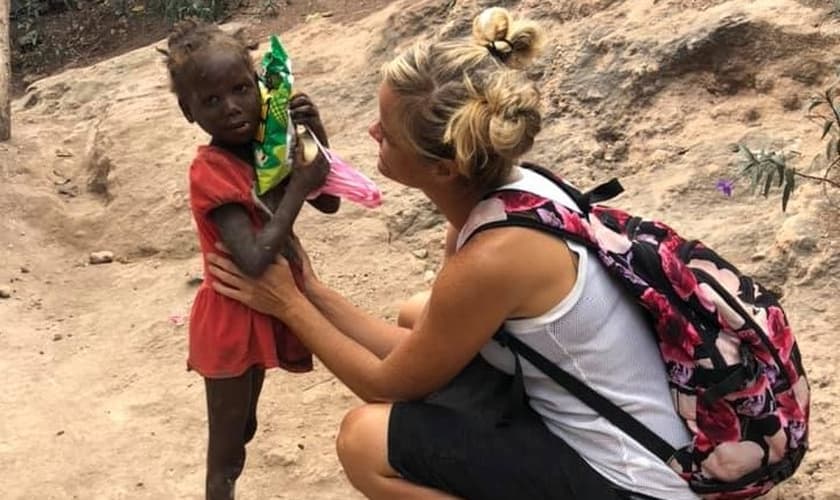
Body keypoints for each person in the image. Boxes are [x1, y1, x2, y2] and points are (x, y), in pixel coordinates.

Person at [206, 7, 700, 500]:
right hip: (636, 425)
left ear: (444, 168)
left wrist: (289, 306)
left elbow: (388, 384)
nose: (373, 135)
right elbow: (420, 348)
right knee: (417, 313)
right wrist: (312, 290)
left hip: (635, 482)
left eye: (388, 133)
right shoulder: (515, 191)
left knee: (363, 440)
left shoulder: (493, 258)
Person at [159, 20, 338, 499]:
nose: (232, 108)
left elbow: (329, 201)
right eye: (211, 100)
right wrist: (298, 185)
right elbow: (255, 258)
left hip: (262, 309)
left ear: (260, 85)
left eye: (240, 89)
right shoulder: (210, 170)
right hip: (231, 320)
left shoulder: (266, 147)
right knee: (226, 461)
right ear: (187, 110)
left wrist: (315, 135)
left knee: (244, 428)